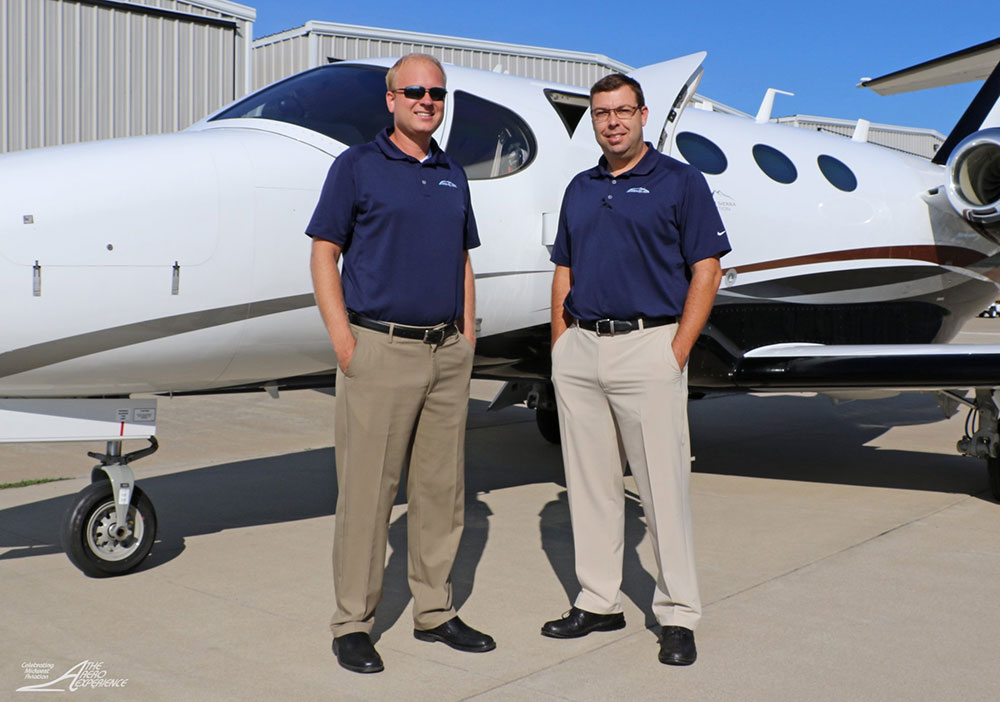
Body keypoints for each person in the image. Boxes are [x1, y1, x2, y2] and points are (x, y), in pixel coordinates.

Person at [306, 53, 494, 675]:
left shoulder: (451, 174)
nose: (426, 101)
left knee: (442, 492)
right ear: (390, 99)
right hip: (378, 350)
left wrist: (466, 337)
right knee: (368, 494)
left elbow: (462, 260)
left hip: (446, 353)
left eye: (436, 94)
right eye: (413, 91)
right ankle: (353, 623)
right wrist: (346, 344)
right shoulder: (356, 167)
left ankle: (434, 611)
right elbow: (324, 254)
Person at [542, 73, 731, 666]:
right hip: (581, 352)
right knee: (591, 485)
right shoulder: (579, 187)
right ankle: (598, 600)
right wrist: (560, 346)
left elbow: (707, 269)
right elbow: (563, 271)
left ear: (644, 115)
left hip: (648, 349)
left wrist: (676, 350)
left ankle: (678, 614)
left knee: (662, 489)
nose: (613, 122)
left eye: (623, 111)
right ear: (593, 120)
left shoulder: (679, 181)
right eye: (602, 113)